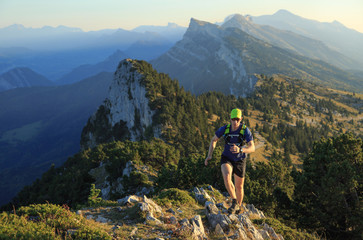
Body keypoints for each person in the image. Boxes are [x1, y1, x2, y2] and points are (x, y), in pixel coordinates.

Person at [205, 108, 255, 214]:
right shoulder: (225, 129)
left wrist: (240, 149)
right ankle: (234, 201)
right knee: (227, 177)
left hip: (240, 159)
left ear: (241, 119)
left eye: (237, 119)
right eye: (233, 119)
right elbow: (214, 139)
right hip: (226, 158)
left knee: (239, 186)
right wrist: (209, 155)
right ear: (230, 119)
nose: (235, 122)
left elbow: (252, 148)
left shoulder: (245, 130)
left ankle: (238, 207)